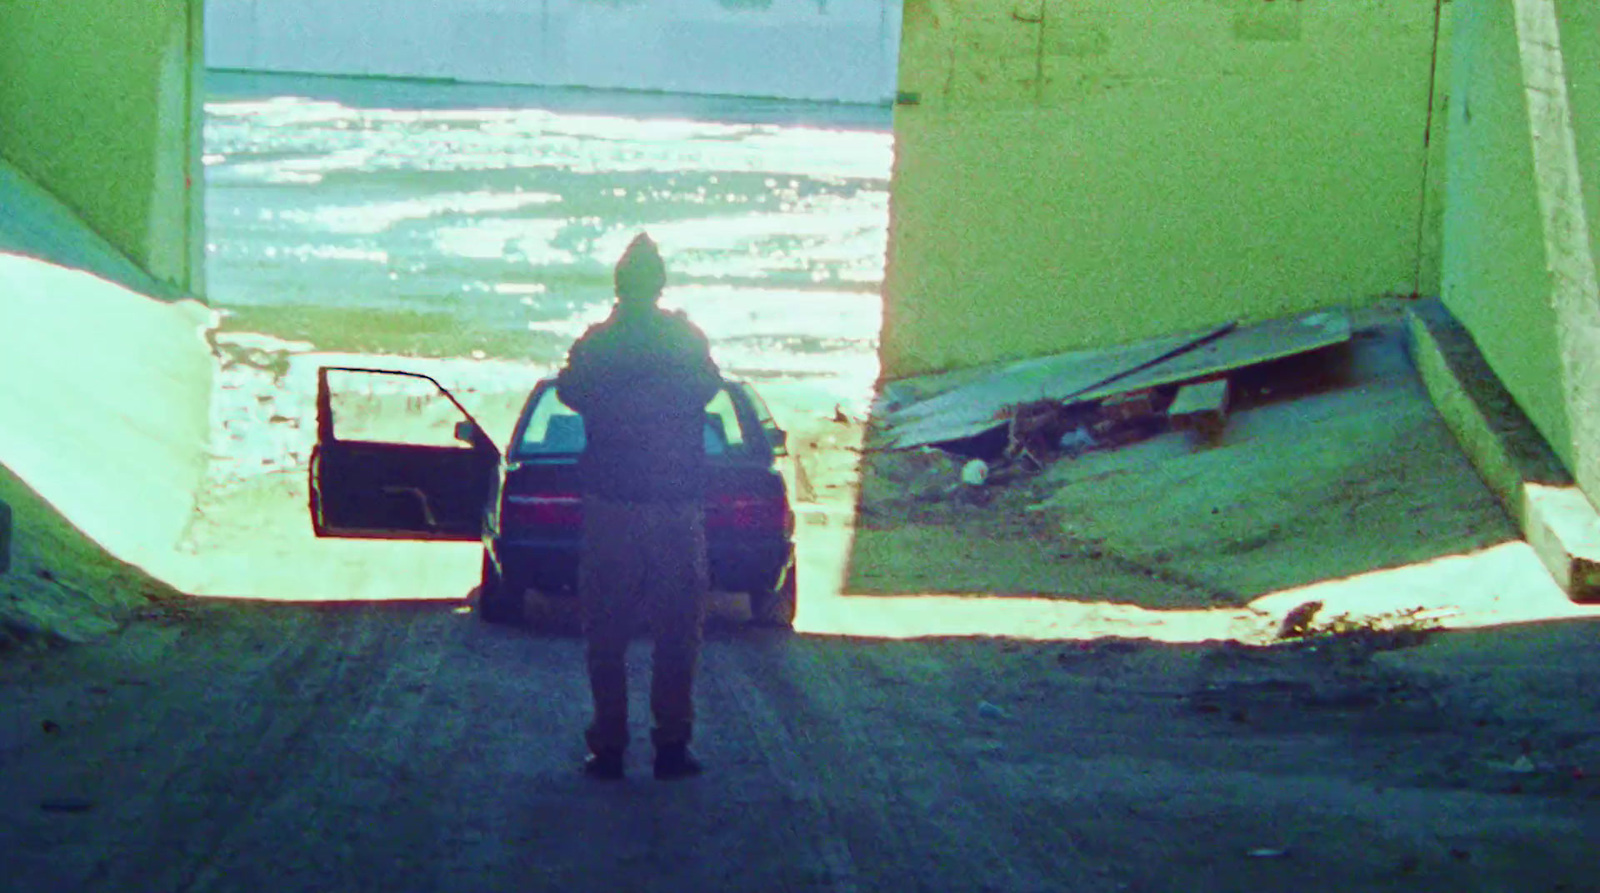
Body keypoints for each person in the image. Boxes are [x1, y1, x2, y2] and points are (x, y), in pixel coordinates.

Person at [555, 233, 722, 781]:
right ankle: (671, 746)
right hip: (674, 502)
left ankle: (609, 747)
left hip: (613, 503)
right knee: (678, 630)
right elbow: (706, 389)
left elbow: (571, 392)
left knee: (607, 628)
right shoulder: (683, 337)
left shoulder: (599, 342)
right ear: (660, 283)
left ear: (619, 284)